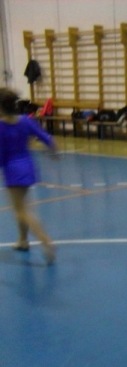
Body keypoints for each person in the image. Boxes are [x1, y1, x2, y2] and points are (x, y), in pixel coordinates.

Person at [0, 88, 58, 264]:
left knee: (21, 211)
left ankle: (46, 241)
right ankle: (23, 241)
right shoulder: (26, 121)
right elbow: (47, 138)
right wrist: (54, 151)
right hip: (28, 167)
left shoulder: (1, 127)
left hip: (13, 170)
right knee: (23, 206)